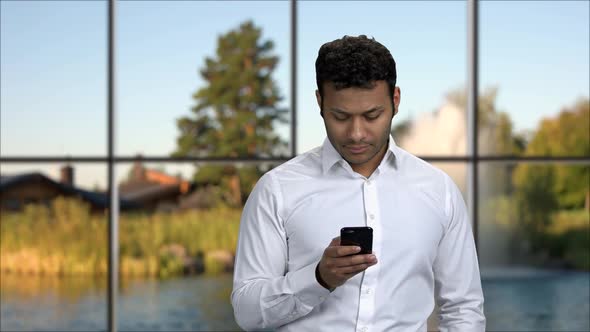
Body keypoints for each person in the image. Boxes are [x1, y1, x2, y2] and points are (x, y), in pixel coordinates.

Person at [231, 35, 485, 331]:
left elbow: (463, 308)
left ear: (395, 100)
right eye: (341, 116)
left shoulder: (439, 191)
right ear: (320, 102)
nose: (357, 133)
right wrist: (318, 278)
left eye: (372, 115)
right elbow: (247, 313)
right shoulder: (276, 190)